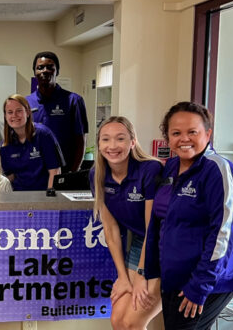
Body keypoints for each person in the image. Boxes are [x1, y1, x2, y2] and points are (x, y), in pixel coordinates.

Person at [145, 102, 233, 330]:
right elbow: (160, 221)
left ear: (207, 134)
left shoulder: (218, 170)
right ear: (167, 137)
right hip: (174, 276)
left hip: (206, 281)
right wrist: (152, 271)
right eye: (176, 133)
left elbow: (224, 233)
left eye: (193, 132)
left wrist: (200, 285)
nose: (184, 139)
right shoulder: (171, 167)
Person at [90, 116, 163, 330]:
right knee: (118, 320)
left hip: (161, 245)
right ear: (99, 144)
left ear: (132, 142)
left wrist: (142, 274)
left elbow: (153, 228)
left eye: (120, 139)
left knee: (132, 322)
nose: (112, 146)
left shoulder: (150, 169)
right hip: (140, 243)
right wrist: (123, 277)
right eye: (106, 139)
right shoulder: (97, 175)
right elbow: (111, 231)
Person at [26, 51, 89, 172]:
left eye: (50, 67)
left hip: (63, 171)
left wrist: (72, 173)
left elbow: (80, 141)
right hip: (34, 173)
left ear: (57, 71)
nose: (45, 70)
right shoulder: (26, 103)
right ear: (34, 72)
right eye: (40, 68)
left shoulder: (74, 101)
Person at [0, 94, 63, 190]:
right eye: (10, 112)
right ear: (5, 116)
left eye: (19, 111)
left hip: (42, 196)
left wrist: (49, 199)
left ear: (28, 112)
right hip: (17, 197)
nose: (14, 115)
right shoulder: (6, 144)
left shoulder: (43, 135)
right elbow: (10, 176)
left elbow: (54, 171)